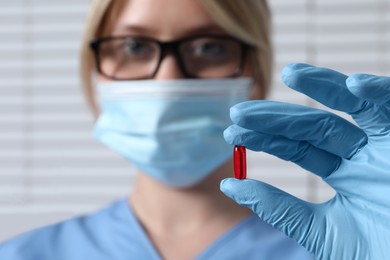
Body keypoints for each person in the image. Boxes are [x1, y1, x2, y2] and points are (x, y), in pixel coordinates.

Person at [0, 0, 313, 259]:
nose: (168, 81)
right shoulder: (23, 255)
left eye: (209, 48)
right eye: (135, 47)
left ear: (254, 73)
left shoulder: (330, 250)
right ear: (95, 73)